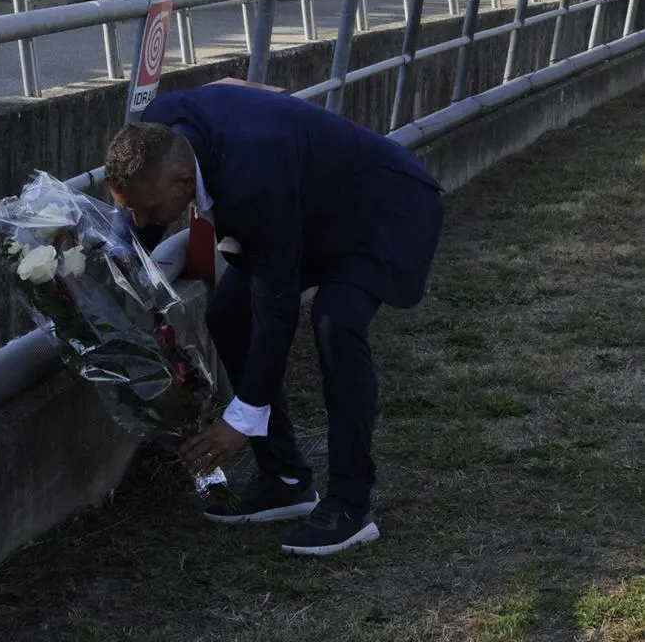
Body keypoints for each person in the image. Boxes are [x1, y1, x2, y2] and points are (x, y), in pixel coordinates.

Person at [104, 84, 444, 556]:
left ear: (184, 183)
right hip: (306, 206)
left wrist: (240, 419)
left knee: (335, 323)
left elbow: (277, 309)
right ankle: (286, 481)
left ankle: (350, 503)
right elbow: (141, 207)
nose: (144, 220)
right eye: (133, 210)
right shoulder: (157, 134)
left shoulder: (251, 178)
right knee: (227, 315)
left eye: (153, 211)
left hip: (382, 209)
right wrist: (114, 254)